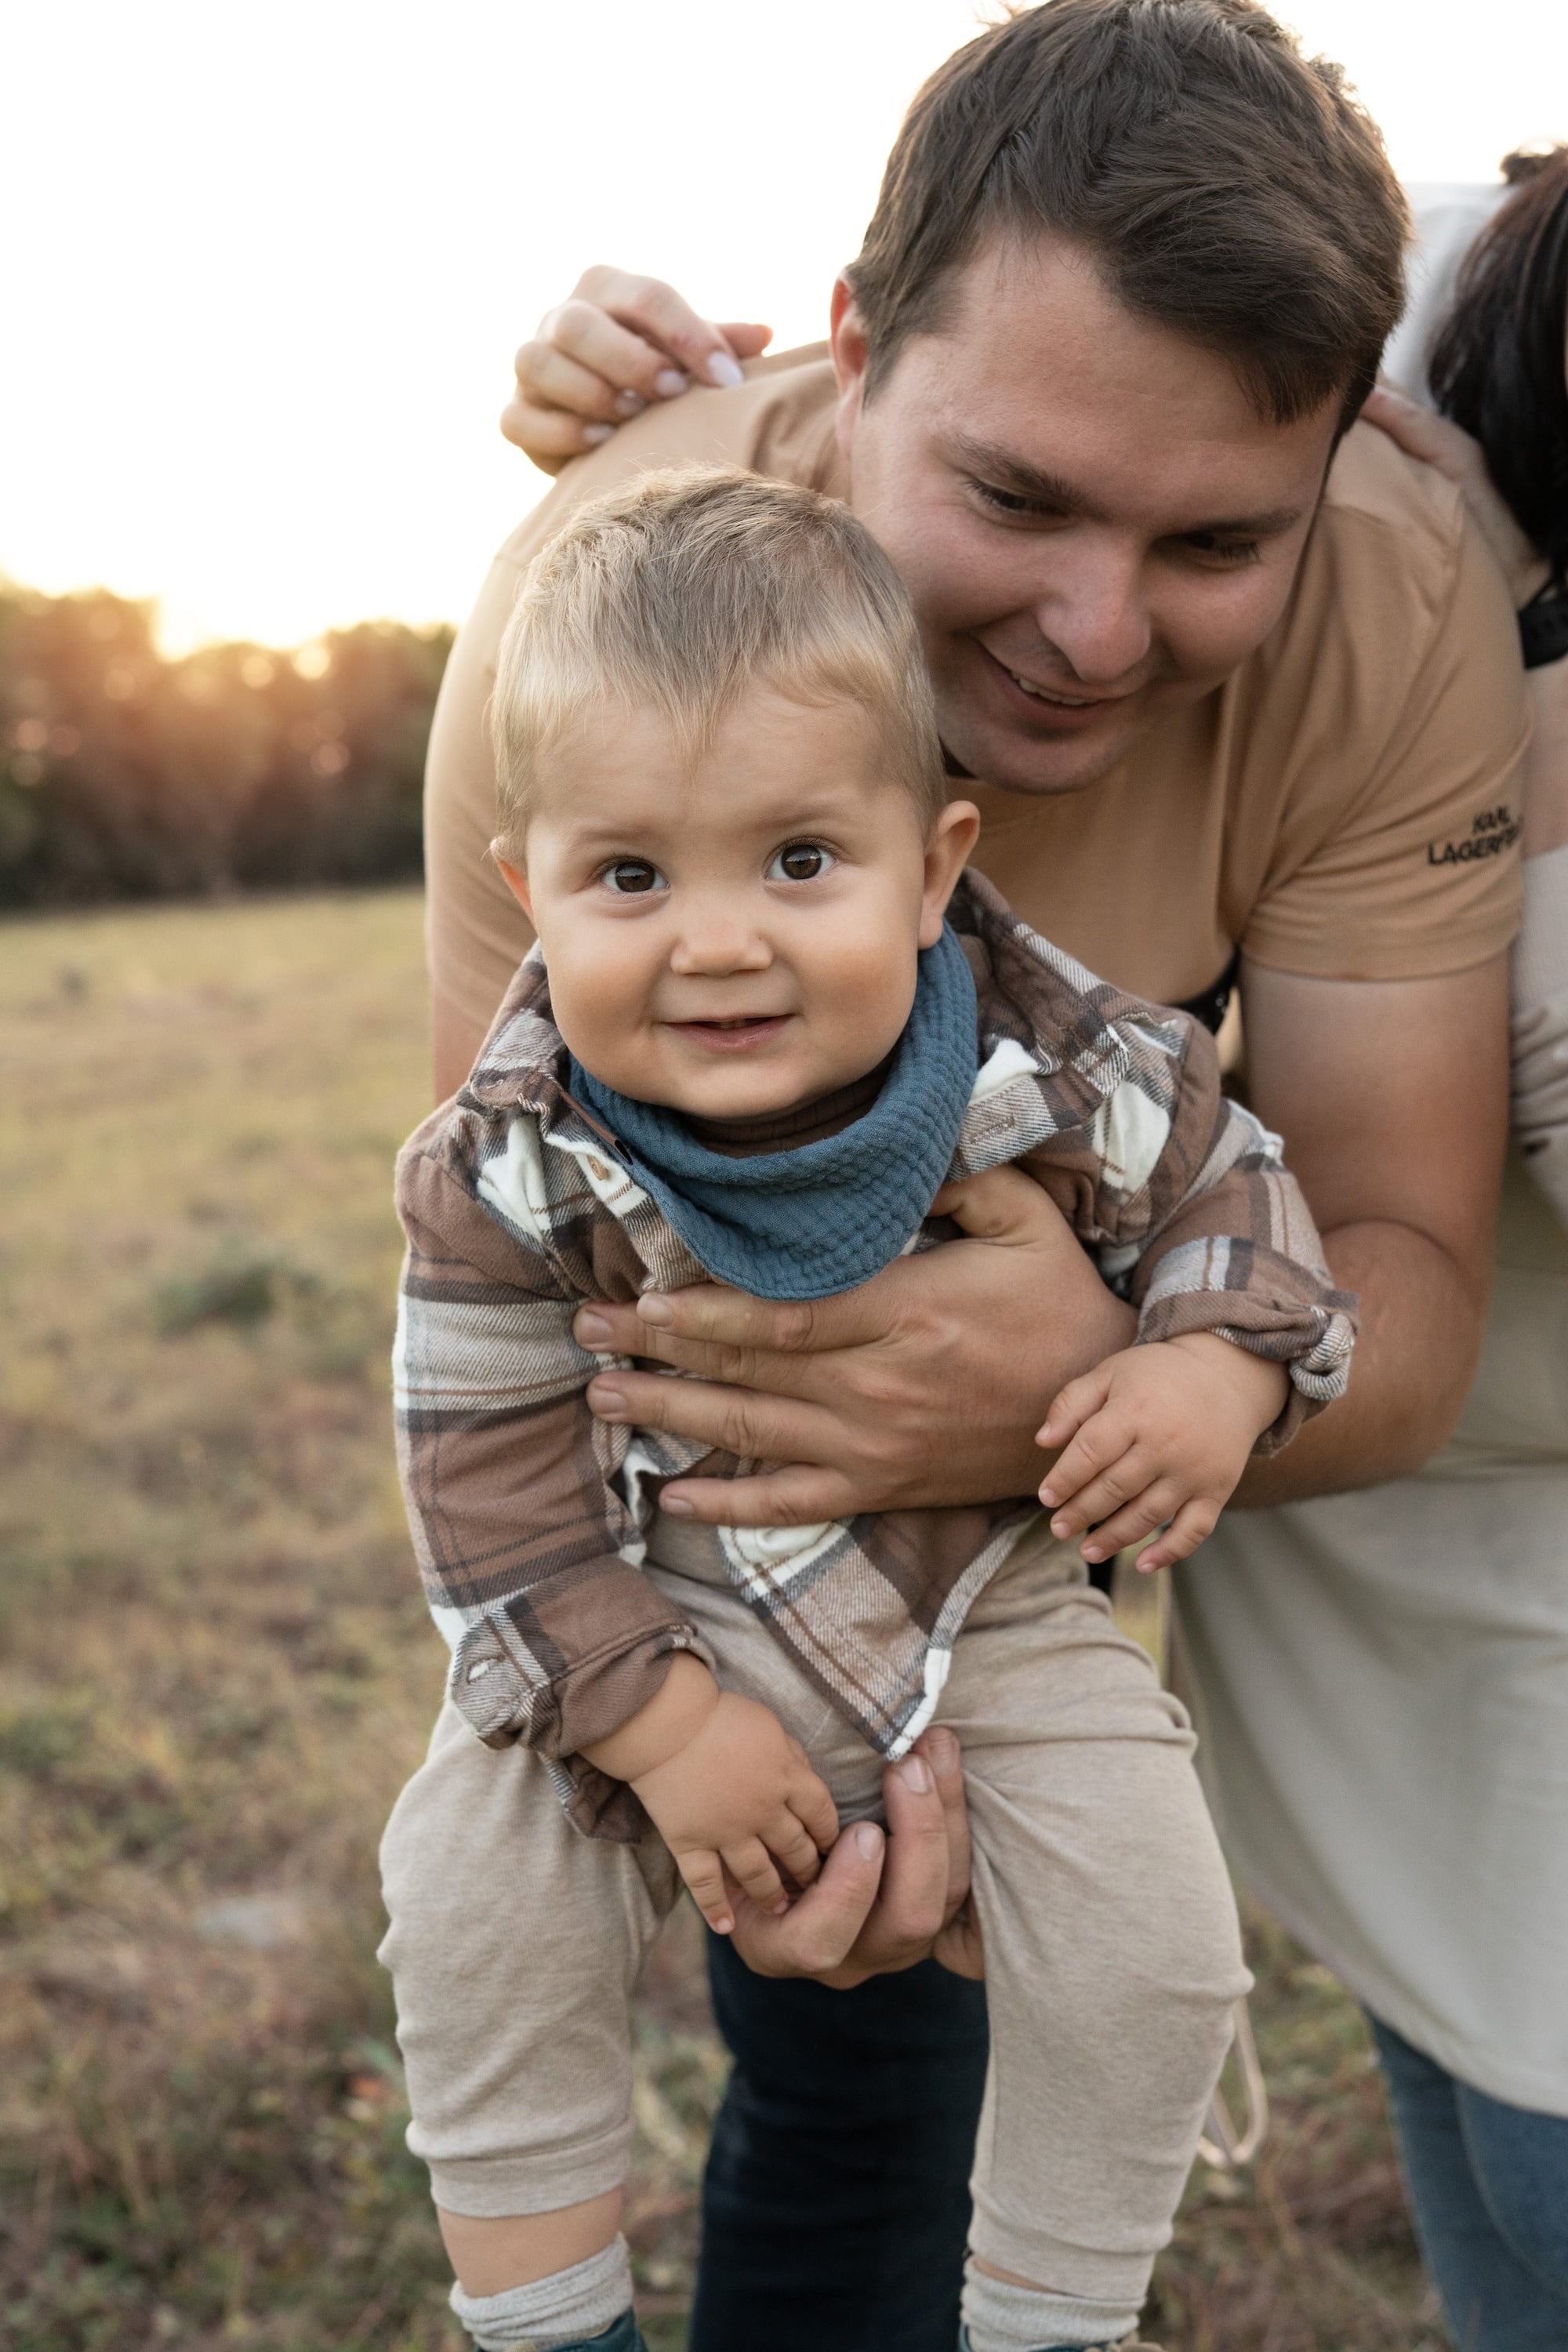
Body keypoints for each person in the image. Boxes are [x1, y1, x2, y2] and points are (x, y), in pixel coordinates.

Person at [415, 5, 1523, 2346]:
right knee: (833, 2030)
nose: (1096, 632)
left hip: (1085, 1389)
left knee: (1064, 1913)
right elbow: (521, 1281)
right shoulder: (593, 602)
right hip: (705, 1488)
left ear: (1344, 449)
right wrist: (704, 1715)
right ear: (848, 349)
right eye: (1014, 502)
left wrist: (1101, 1382)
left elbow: (1399, 1263)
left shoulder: (1398, 591)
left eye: (1217, 538)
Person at [383, 464, 1358, 2352]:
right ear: (533, 889)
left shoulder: (1068, 1063)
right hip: (636, 1596)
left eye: (799, 861)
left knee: (1156, 1941)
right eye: (631, 875)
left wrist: (1215, 1364)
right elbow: (478, 1478)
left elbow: (1243, 1200)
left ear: (934, 866)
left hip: (972, 1604)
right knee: (465, 1888)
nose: (718, 939)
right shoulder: (502, 1162)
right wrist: (654, 1723)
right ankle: (545, 2318)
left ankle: (1052, 2316)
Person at [1172, 151, 1568, 2352]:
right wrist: (647, 372)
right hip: (1373, 1518)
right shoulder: (1430, 272)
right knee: (1484, 2150)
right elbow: (1009, 353)